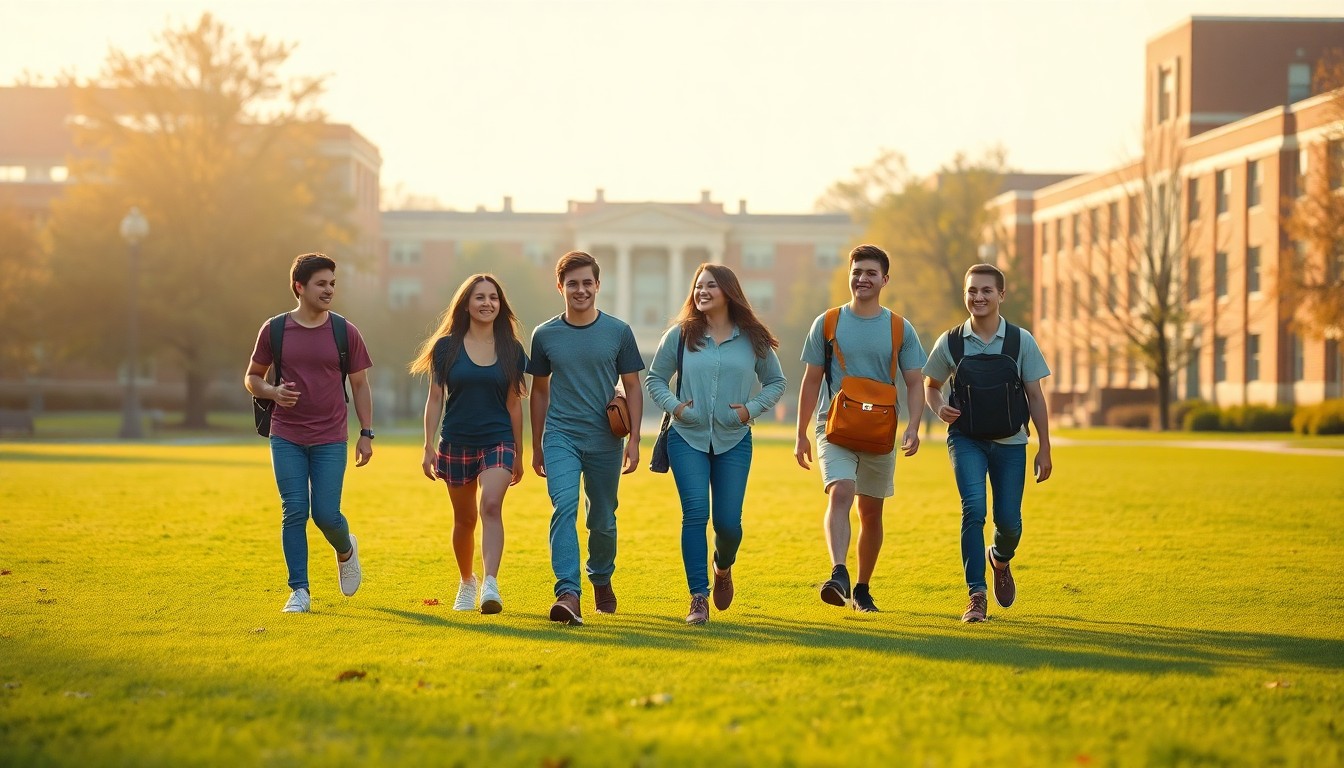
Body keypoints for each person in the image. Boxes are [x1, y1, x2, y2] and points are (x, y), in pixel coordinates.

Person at [646, 264, 786, 625]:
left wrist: (749, 411)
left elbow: (776, 382)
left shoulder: (752, 338)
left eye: (710, 286)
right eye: (697, 286)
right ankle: (697, 597)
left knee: (728, 524)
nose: (701, 291)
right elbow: (656, 378)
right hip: (686, 436)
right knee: (695, 514)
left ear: (728, 291)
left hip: (734, 439)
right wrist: (676, 407)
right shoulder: (680, 335)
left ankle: (722, 568)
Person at [794, 244, 926, 613]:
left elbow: (915, 382)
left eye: (870, 273)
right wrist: (801, 432)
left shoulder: (900, 327)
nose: (862, 278)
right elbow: (811, 380)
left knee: (871, 513)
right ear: (849, 276)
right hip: (834, 426)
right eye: (857, 272)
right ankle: (838, 573)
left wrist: (914, 426)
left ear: (884, 279)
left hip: (880, 431)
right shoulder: (828, 322)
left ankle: (862, 588)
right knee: (841, 492)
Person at [923, 263, 1053, 623]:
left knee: (1009, 522)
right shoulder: (950, 342)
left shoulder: (1019, 341)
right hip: (966, 440)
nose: (978, 297)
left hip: (1012, 442)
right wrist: (939, 409)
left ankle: (1000, 558)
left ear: (1001, 295)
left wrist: (1044, 446)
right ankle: (976, 596)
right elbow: (930, 386)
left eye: (986, 291)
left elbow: (1036, 397)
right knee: (973, 510)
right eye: (972, 291)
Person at [245, 253, 374, 614]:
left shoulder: (344, 332)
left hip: (331, 437)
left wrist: (366, 432)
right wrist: (272, 392)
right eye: (321, 283)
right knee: (294, 510)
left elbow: (361, 385)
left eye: (332, 283)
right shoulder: (274, 330)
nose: (329, 289)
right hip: (286, 434)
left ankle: (345, 549)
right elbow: (252, 377)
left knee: (326, 514)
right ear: (299, 287)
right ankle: (299, 591)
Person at [528, 251, 645, 625]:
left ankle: (601, 577)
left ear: (598, 285)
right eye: (573, 284)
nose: (581, 290)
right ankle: (568, 593)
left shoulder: (618, 332)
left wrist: (636, 439)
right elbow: (540, 392)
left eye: (587, 283)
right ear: (560, 287)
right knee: (564, 507)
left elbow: (632, 386)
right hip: (560, 435)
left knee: (603, 519)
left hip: (604, 440)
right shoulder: (544, 335)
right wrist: (537, 444)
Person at [409, 274, 528, 615]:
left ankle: (491, 583)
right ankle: (467, 581)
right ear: (466, 303)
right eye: (480, 297)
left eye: (493, 297)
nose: (487, 303)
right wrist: (428, 445)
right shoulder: (446, 347)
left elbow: (514, 404)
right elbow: (435, 399)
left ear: (500, 305)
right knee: (464, 520)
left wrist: (519, 452)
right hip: (457, 441)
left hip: (498, 440)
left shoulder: (512, 351)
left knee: (491, 506)